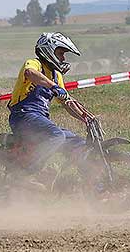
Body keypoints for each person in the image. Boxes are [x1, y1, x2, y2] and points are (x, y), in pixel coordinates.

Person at [7, 32, 86, 172]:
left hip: (40, 119)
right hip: (23, 116)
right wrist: (53, 86)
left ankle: (81, 179)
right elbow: (30, 73)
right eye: (61, 53)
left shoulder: (57, 76)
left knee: (77, 142)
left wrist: (87, 118)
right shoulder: (34, 64)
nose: (63, 58)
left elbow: (67, 102)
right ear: (49, 50)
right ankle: (29, 170)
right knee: (57, 135)